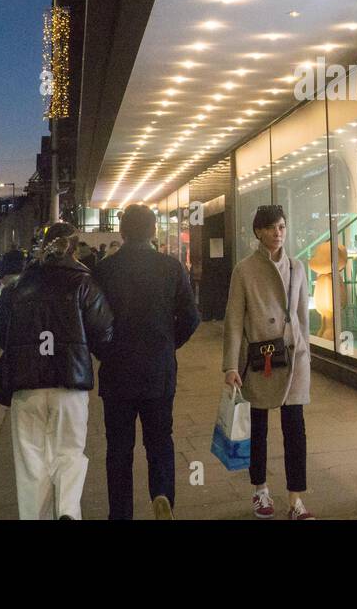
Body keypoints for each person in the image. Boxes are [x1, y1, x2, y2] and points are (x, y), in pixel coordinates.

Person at [0, 222, 113, 520]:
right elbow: (105, 333)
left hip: (26, 386)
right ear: (74, 248)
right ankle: (68, 511)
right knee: (69, 453)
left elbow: (0, 332)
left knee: (31, 463)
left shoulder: (17, 286)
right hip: (70, 384)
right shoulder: (84, 283)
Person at [92, 205, 200, 520]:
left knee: (119, 450)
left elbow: (94, 323)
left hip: (117, 373)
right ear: (153, 231)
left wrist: (106, 350)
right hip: (158, 370)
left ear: (122, 232)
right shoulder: (171, 267)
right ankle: (162, 494)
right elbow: (191, 318)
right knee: (160, 441)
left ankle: (121, 513)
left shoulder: (104, 269)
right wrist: (168, 343)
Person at [222, 205, 315, 520]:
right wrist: (230, 366)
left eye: (282, 227)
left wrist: (304, 352)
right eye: (272, 227)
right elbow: (234, 321)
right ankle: (260, 490)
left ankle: (295, 500)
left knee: (295, 431)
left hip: (292, 357)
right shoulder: (244, 270)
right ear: (258, 231)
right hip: (259, 359)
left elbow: (303, 317)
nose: (278, 233)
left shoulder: (298, 268)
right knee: (258, 428)